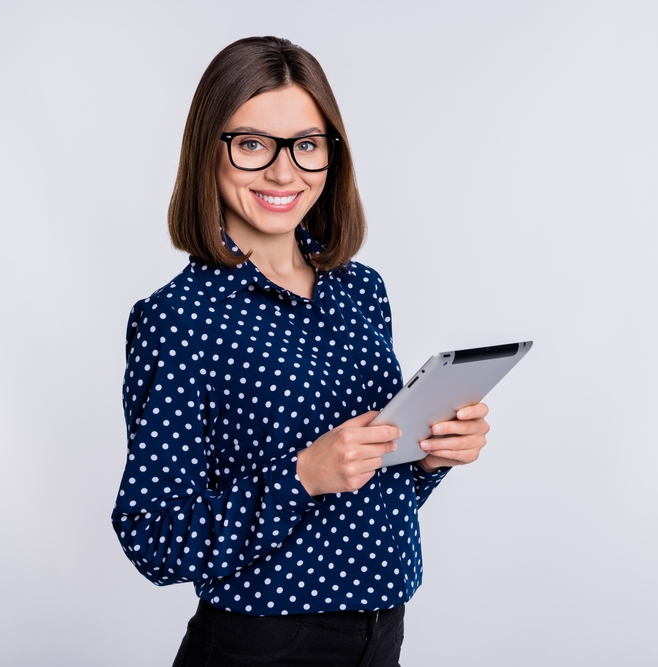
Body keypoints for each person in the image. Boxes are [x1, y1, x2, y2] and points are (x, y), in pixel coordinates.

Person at [111, 36, 491, 667]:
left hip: (382, 630)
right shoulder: (179, 319)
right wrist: (300, 478)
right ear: (209, 150)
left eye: (306, 145)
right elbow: (151, 538)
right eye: (253, 143)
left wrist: (429, 456)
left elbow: (366, 488)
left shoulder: (360, 290)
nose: (284, 173)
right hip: (262, 645)